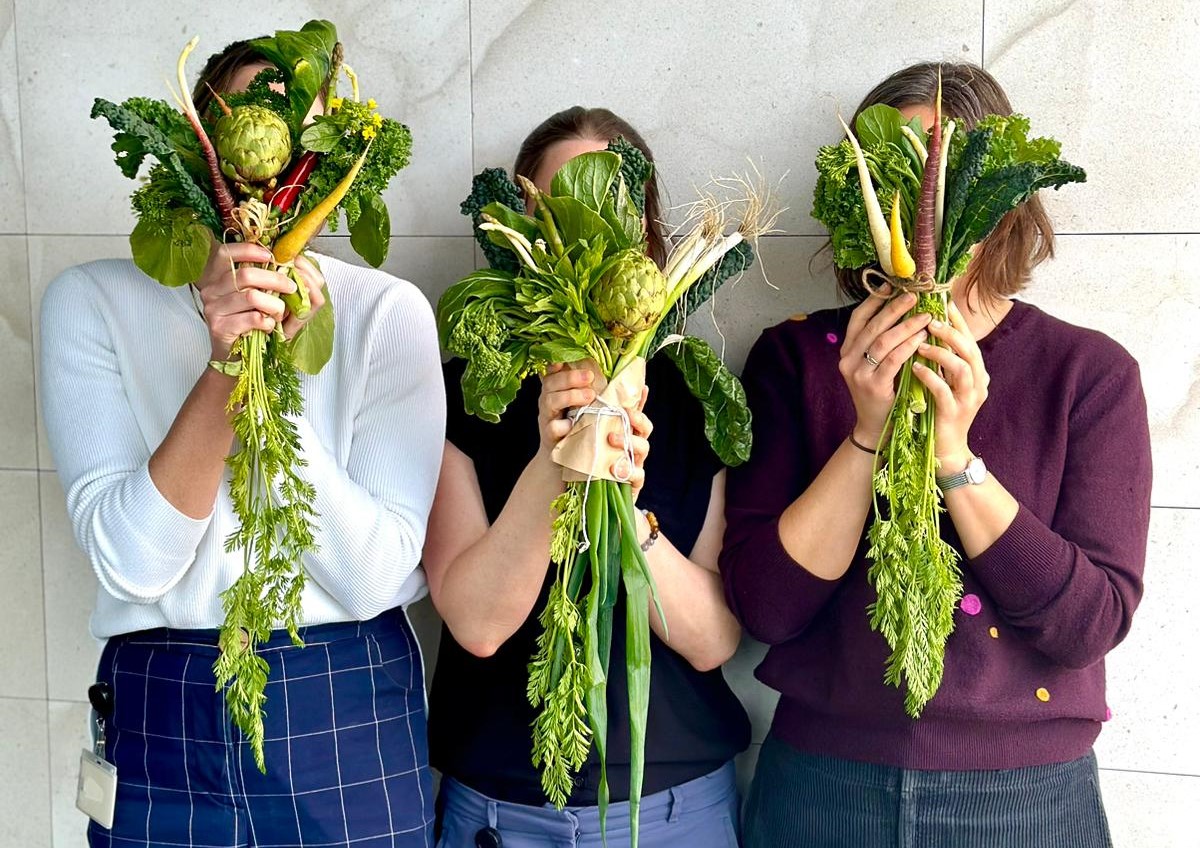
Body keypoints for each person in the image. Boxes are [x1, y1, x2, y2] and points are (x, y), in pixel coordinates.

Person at [720, 62, 1151, 848]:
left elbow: (1091, 624)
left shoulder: (1090, 374)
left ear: (1006, 194)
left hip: (1028, 793)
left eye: (949, 171)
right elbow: (767, 610)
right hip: (825, 782)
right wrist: (868, 434)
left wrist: (954, 457)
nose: (926, 201)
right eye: (899, 174)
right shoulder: (795, 360)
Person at [41, 38, 444, 848]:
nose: (285, 149)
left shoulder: (388, 313)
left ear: (337, 166)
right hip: (165, 691)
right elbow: (132, 562)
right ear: (202, 148)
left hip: (344, 685)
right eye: (255, 119)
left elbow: (374, 575)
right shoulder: (88, 302)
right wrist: (227, 363)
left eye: (310, 129)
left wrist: (276, 356)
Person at [423, 106, 750, 848]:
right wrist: (554, 463)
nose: (588, 240)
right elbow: (475, 624)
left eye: (612, 212)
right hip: (499, 812)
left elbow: (712, 639)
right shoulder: (465, 392)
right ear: (519, 236)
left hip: (675, 810)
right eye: (562, 211)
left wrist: (630, 513)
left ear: (648, 238)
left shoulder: (701, 398)